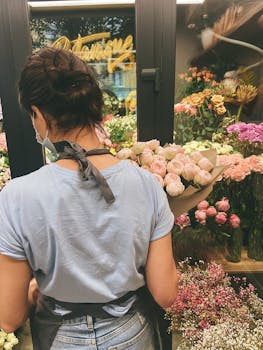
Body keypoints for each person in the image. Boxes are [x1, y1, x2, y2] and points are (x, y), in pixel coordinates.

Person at [0, 48, 178, 350]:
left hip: (60, 338)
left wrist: (34, 289)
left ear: (39, 115)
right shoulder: (147, 185)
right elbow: (166, 293)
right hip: (131, 334)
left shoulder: (17, 196)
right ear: (93, 106)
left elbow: (8, 316)